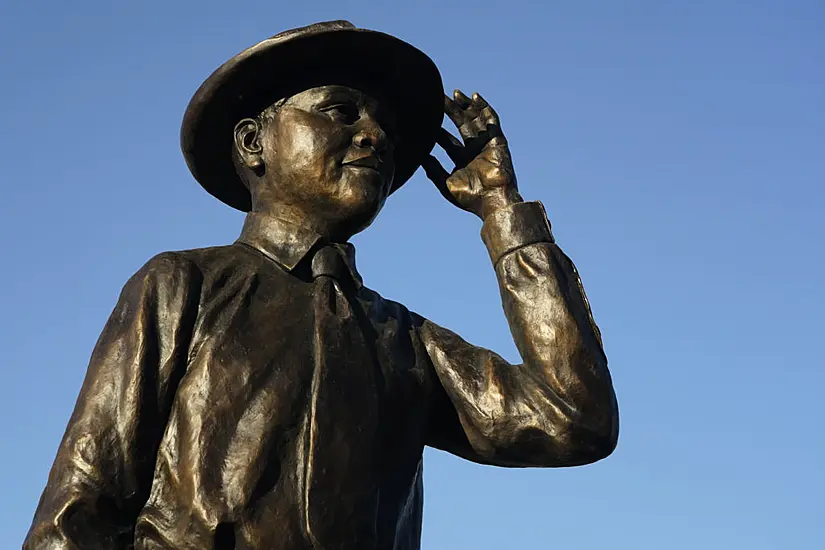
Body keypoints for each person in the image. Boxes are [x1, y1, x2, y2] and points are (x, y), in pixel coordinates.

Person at [25, 20, 618, 550]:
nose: (375, 136)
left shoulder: (403, 340)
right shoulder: (183, 286)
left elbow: (573, 419)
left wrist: (503, 212)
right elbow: (80, 510)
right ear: (254, 142)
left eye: (383, 124)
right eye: (340, 112)